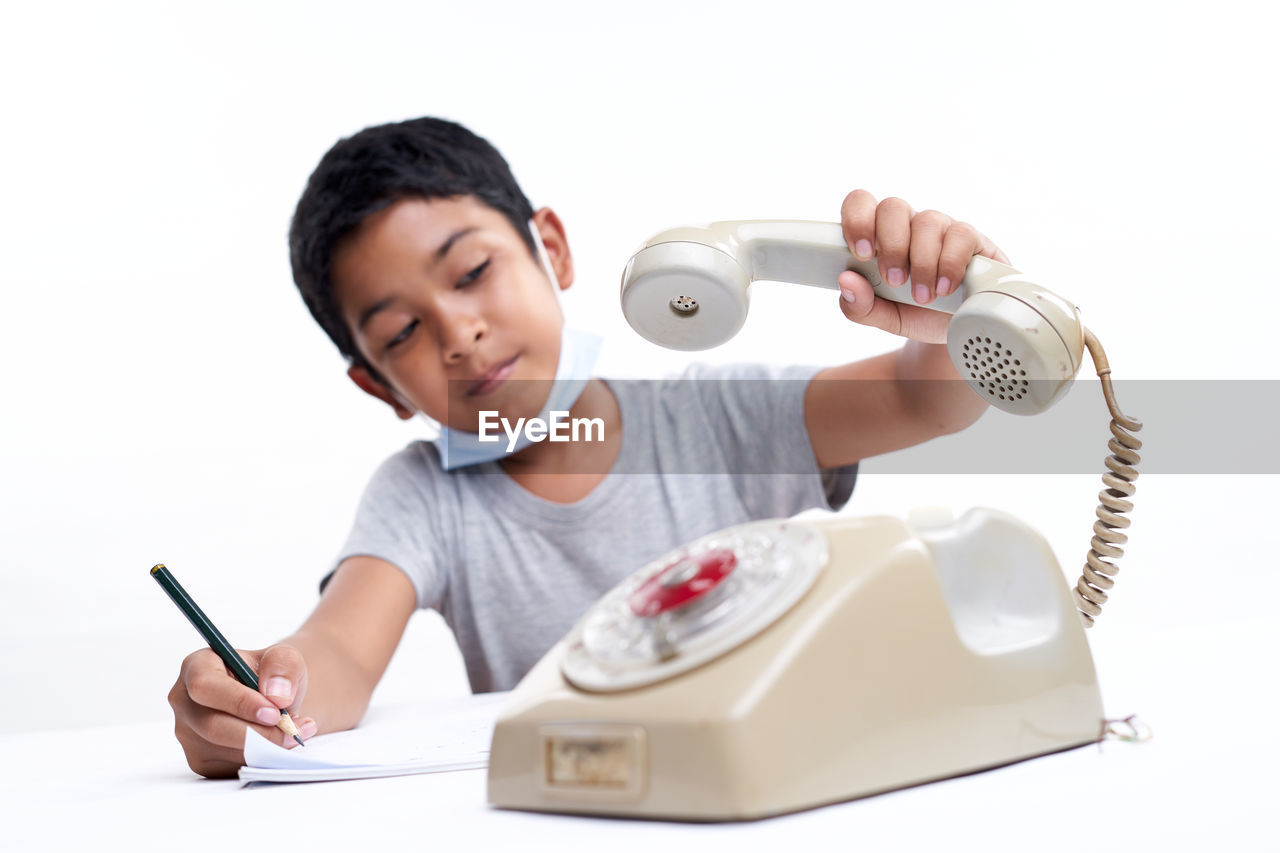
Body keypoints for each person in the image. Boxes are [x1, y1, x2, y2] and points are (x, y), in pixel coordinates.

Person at [167, 117, 1008, 778]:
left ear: (554, 250)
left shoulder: (721, 420)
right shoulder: (422, 497)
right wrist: (266, 693)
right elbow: (341, 652)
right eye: (404, 331)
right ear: (379, 386)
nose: (460, 331)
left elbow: (920, 396)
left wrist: (947, 317)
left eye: (470, 274)